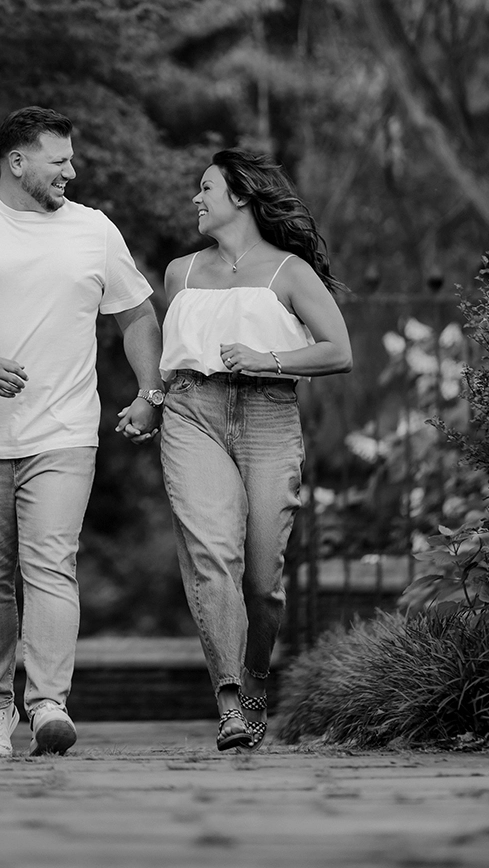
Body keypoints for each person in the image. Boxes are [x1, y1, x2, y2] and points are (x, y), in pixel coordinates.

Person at [0, 106, 165, 759]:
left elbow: (138, 317)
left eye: (72, 160)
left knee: (51, 564)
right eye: (59, 161)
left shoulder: (94, 231)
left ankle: (49, 704)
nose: (72, 172)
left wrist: (151, 393)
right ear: (17, 161)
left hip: (65, 431)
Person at [154, 149, 352, 750]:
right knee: (213, 555)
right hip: (192, 412)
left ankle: (257, 678)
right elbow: (177, 353)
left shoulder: (289, 272)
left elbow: (339, 350)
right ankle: (231, 702)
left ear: (239, 196)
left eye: (206, 187)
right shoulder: (179, 274)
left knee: (263, 578)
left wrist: (269, 359)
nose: (196, 198)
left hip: (269, 415)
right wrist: (149, 400)